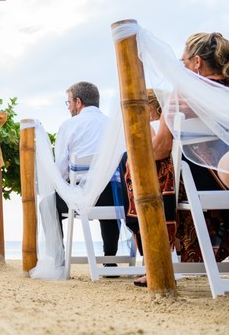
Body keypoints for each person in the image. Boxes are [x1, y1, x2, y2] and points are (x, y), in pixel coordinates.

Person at [149, 32, 229, 273]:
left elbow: (162, 148)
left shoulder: (182, 95)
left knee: (137, 165)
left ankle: (159, 256)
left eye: (183, 62)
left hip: (209, 181)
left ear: (197, 62)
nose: (182, 69)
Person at [54, 81, 122, 270]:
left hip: (81, 197)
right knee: (109, 185)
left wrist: (67, 187)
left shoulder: (68, 126)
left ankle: (59, 259)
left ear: (78, 102)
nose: (68, 108)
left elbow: (61, 170)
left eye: (69, 103)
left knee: (48, 204)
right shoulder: (116, 125)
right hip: (115, 197)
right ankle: (110, 259)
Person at [121, 89, 177, 287]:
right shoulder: (167, 123)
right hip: (181, 182)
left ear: (151, 109)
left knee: (127, 158)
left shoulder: (153, 126)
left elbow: (152, 154)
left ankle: (154, 266)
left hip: (159, 190)